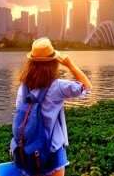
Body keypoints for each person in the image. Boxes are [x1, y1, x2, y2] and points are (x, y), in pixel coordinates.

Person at [10, 37, 92, 176]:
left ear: (30, 63)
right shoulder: (58, 86)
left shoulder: (23, 87)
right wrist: (69, 64)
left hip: (26, 151)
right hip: (52, 150)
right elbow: (87, 87)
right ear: (54, 62)